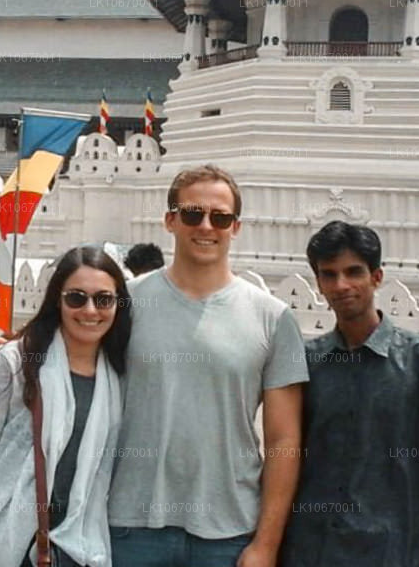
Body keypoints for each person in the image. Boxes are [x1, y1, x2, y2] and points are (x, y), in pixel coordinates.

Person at [108, 165, 308, 566]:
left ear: (236, 227)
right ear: (170, 220)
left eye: (220, 217)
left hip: (229, 533)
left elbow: (284, 441)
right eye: (192, 214)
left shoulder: (273, 317)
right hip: (129, 526)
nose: (205, 226)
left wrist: (266, 545)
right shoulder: (123, 304)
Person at [282, 221, 419, 567]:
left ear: (377, 277)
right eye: (329, 275)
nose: (342, 285)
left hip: (398, 553)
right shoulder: (306, 364)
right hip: (314, 551)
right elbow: (285, 462)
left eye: (354, 272)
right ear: (318, 284)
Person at [0, 246, 130, 567]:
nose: (90, 310)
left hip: (82, 548)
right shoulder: (16, 363)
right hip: (5, 546)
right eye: (76, 298)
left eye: (103, 299)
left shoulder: (120, 376)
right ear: (57, 300)